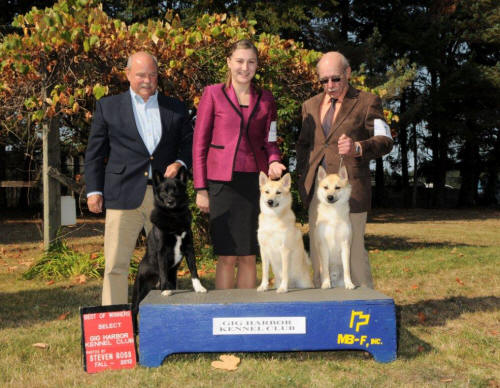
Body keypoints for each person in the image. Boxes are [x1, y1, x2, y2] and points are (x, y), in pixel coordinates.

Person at [84, 51, 193, 305]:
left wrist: (180, 162)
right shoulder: (107, 106)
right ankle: (116, 327)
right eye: (141, 74)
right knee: (115, 265)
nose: (147, 80)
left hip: (164, 199)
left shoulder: (175, 108)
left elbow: (189, 143)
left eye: (152, 74)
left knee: (167, 262)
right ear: (128, 74)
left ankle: (161, 322)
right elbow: (94, 153)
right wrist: (93, 191)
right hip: (122, 194)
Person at [193, 39, 286, 289]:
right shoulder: (212, 93)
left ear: (257, 65)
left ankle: (247, 315)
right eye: (240, 61)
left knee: (248, 254)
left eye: (251, 62)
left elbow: (271, 141)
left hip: (253, 184)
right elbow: (199, 145)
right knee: (226, 255)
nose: (245, 67)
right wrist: (201, 189)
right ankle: (223, 315)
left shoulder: (266, 99)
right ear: (229, 63)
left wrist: (275, 161)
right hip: (221, 184)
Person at [296, 51, 393, 289]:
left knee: (353, 254)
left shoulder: (367, 101)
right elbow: (303, 145)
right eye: (324, 80)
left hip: (349, 192)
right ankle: (325, 311)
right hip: (319, 192)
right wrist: (302, 179)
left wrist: (358, 147)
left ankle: (364, 312)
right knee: (320, 255)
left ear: (348, 73)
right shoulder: (308, 106)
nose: (330, 85)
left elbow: (385, 140)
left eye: (336, 79)